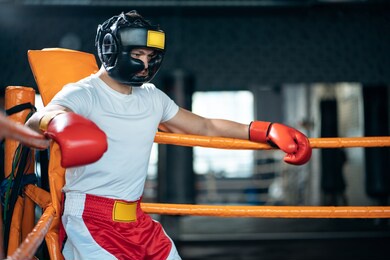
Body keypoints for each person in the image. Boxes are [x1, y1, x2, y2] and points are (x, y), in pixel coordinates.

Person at [26, 10, 312, 260]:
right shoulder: (85, 92)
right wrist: (62, 122)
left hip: (136, 220)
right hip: (90, 218)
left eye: (151, 56)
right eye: (137, 55)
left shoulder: (152, 97)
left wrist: (264, 130)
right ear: (112, 49)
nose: (145, 64)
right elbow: (36, 119)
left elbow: (205, 126)